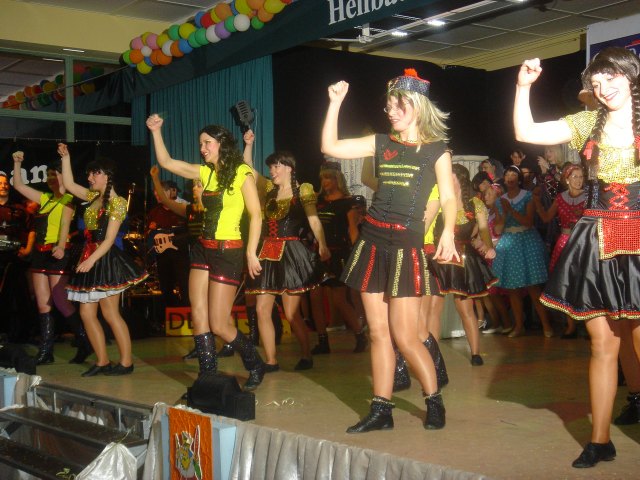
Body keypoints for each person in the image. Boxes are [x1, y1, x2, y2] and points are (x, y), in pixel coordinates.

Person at [513, 47, 640, 468]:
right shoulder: (588, 123)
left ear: (631, 76)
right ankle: (600, 440)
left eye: (611, 78)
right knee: (602, 344)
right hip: (598, 237)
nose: (603, 89)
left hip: (639, 237)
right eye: (596, 83)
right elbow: (526, 129)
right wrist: (523, 87)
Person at [321, 69, 458, 432]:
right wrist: (334, 104)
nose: (392, 111)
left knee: (406, 337)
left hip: (406, 245)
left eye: (400, 105)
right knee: (378, 333)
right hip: (373, 241)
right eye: (389, 105)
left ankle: (434, 399)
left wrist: (448, 232)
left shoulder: (436, 150)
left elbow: (448, 196)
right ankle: (381, 410)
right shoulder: (381, 142)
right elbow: (330, 147)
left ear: (418, 105)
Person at [146, 115, 266, 391]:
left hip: (228, 251)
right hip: (203, 249)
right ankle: (207, 374)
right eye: (200, 143)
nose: (202, 148)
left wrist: (251, 253)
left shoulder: (241, 172)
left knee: (220, 324)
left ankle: (254, 362)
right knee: (197, 312)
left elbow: (256, 215)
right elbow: (167, 162)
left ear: (221, 143)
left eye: (207, 143)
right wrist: (156, 131)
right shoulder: (205, 172)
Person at [242, 134, 330, 372]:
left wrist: (322, 244)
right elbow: (248, 168)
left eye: (277, 166)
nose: (272, 170)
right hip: (268, 251)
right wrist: (249, 144)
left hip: (291, 253)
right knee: (262, 309)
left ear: (289, 168)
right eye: (271, 167)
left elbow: (314, 220)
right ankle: (271, 360)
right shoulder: (269, 189)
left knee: (291, 314)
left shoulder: (303, 190)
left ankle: (306, 354)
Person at [58, 144, 148, 376]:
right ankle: (102, 361)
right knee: (86, 314)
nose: (89, 178)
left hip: (106, 260)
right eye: (89, 173)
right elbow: (69, 185)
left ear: (107, 176)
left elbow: (109, 240)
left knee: (110, 314)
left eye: (94, 173)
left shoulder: (118, 202)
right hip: (89, 256)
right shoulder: (92, 197)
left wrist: (91, 260)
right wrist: (66, 158)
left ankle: (126, 362)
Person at [12, 151, 92, 365]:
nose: (50, 178)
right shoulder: (45, 198)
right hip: (40, 254)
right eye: (47, 175)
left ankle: (84, 341)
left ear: (62, 176)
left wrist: (61, 245)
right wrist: (17, 163)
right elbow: (18, 185)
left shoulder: (68, 199)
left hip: (58, 253)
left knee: (60, 301)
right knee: (42, 304)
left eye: (54, 174)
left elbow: (65, 223)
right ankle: (46, 351)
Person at [430, 164, 497, 366]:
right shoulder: (438, 201)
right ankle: (432, 355)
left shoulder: (474, 203)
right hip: (440, 257)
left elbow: (484, 231)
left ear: (460, 180)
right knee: (433, 308)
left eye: (450, 178)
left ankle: (475, 353)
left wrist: (487, 247)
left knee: (466, 309)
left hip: (464, 260)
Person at [310, 161, 368, 355]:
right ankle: (322, 340)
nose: (325, 182)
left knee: (339, 299)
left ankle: (360, 335)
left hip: (338, 253)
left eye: (328, 178)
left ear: (337, 179)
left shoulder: (347, 202)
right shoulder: (318, 201)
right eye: (322, 178)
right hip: (318, 252)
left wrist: (358, 255)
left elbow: (353, 231)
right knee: (315, 297)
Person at [491, 165, 551, 338]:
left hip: (526, 241)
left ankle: (546, 325)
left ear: (519, 179)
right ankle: (518, 326)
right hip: (509, 242)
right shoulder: (500, 200)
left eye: (513, 174)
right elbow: (498, 228)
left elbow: (528, 222)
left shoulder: (528, 196)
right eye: (507, 174)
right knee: (513, 289)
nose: (510, 177)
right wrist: (503, 216)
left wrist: (510, 210)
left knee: (533, 287)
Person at [533, 164, 585, 339]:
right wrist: (537, 203)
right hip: (564, 241)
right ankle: (571, 324)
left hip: (583, 242)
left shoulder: (588, 197)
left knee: (584, 280)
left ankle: (588, 322)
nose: (578, 180)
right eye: (575, 177)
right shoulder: (560, 198)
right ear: (567, 179)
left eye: (581, 176)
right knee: (565, 282)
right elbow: (547, 217)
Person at [146, 175, 191, 327]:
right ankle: (171, 320)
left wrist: (173, 237)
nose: (157, 196)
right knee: (166, 286)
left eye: (159, 193)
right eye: (155, 194)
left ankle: (187, 319)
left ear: (168, 192)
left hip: (180, 253)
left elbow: (192, 232)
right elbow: (148, 233)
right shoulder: (154, 212)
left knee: (184, 285)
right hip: (162, 255)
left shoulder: (181, 209)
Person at [0, 172, 36, 343]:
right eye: (0, 183)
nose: (3, 186)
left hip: (15, 258)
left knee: (19, 295)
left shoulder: (20, 209)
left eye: (5, 183)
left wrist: (27, 249)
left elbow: (32, 229)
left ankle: (22, 335)